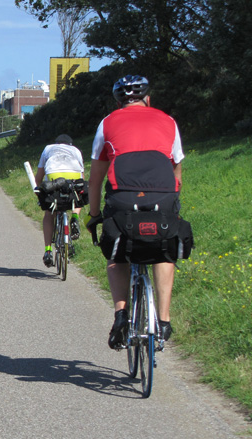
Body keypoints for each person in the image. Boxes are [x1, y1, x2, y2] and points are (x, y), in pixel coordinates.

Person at [84, 75, 184, 349]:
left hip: (123, 199)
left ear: (118, 102)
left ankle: (121, 315)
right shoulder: (168, 121)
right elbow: (177, 173)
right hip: (164, 198)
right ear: (148, 99)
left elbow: (96, 178)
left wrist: (94, 215)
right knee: (164, 251)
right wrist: (171, 207)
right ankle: (163, 321)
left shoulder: (108, 123)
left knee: (118, 251)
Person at [34, 134, 84, 267]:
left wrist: (39, 193)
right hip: (73, 174)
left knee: (49, 213)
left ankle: (48, 251)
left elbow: (39, 177)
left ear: (56, 143)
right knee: (79, 195)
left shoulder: (48, 149)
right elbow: (82, 178)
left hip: (53, 175)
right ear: (70, 144)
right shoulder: (76, 150)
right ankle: (74, 216)